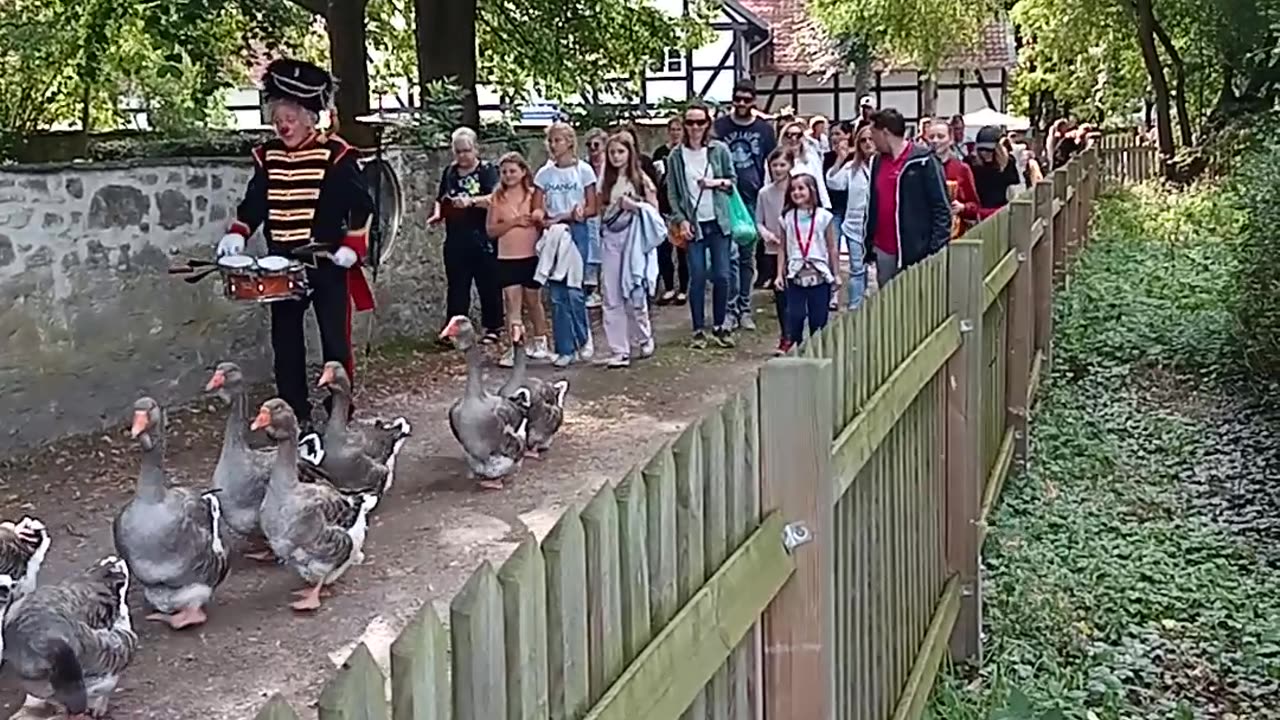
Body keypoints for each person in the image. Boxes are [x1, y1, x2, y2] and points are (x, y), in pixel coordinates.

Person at [217, 58, 374, 431]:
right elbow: (254, 202)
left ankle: (339, 407)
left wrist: (351, 245)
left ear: (309, 117)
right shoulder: (267, 155)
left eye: (290, 116)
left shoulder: (336, 154)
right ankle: (293, 409)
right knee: (285, 339)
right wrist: (238, 232)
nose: (282, 124)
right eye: (277, 117)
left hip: (325, 261)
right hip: (280, 261)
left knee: (334, 338)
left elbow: (362, 206)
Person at [665, 101, 738, 349]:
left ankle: (720, 325)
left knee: (722, 275)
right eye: (690, 122)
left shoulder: (719, 150)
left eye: (700, 122)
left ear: (708, 124)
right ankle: (698, 329)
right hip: (693, 223)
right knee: (697, 275)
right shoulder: (676, 155)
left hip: (718, 221)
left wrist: (714, 183)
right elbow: (673, 193)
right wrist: (681, 219)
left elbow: (732, 181)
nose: (695, 127)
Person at [428, 127, 503, 344]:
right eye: (458, 151)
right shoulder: (450, 172)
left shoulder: (487, 171)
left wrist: (471, 201)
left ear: (475, 149)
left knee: (488, 283)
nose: (462, 156)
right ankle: (455, 328)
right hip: (456, 236)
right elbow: (441, 197)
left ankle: (493, 326)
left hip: (482, 236)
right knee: (457, 286)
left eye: (466, 151)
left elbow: (495, 198)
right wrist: (438, 214)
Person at [713, 80, 776, 331]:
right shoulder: (720, 127)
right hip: (725, 198)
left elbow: (771, 163)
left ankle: (745, 308)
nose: (741, 103)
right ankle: (729, 310)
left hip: (752, 198)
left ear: (754, 101)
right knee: (729, 257)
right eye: (737, 98)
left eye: (746, 99)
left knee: (747, 258)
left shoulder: (764, 129)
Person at [863, 108, 950, 287]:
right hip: (884, 249)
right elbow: (873, 203)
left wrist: (933, 250)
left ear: (885, 133)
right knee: (888, 301)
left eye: (873, 134)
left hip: (916, 250)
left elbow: (941, 208)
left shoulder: (923, 161)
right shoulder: (877, 162)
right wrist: (869, 242)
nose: (872, 141)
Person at [534, 122, 597, 366]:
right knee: (557, 292)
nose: (553, 145)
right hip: (553, 233)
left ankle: (583, 337)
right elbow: (538, 206)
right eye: (550, 141)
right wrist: (540, 216)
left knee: (574, 289)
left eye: (558, 140)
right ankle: (564, 348)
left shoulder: (584, 171)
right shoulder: (544, 174)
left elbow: (592, 206)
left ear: (570, 142)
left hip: (575, 231)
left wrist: (581, 212)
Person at [596, 133, 659, 368]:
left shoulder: (640, 179)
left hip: (634, 239)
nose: (616, 157)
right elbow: (600, 209)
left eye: (620, 152)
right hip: (611, 238)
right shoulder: (605, 181)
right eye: (612, 152)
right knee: (611, 293)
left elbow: (654, 211)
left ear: (629, 153)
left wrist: (635, 206)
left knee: (635, 291)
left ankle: (643, 336)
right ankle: (619, 349)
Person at [487, 152, 551, 367]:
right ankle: (515, 347)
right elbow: (491, 230)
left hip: (531, 255)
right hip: (507, 257)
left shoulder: (534, 194)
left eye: (513, 171)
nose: (508, 175)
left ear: (523, 172)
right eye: (504, 172)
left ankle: (541, 340)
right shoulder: (497, 198)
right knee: (512, 305)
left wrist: (538, 219)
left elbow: (544, 219)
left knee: (533, 301)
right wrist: (513, 222)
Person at [774, 174, 840, 352]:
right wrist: (779, 274)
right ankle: (797, 345)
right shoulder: (787, 218)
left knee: (818, 319)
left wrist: (836, 274)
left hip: (819, 275)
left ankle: (817, 349)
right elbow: (782, 248)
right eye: (793, 189)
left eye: (801, 188)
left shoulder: (824, 217)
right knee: (795, 315)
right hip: (795, 274)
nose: (797, 192)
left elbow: (832, 247)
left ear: (812, 190)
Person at [755, 148, 794, 353]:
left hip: (797, 249)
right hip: (773, 249)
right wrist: (768, 235)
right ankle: (785, 335)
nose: (778, 169)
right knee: (781, 295)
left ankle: (795, 332)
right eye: (775, 165)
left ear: (790, 166)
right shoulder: (764, 193)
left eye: (782, 165)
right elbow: (758, 221)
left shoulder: (797, 189)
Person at [836, 123, 875, 310]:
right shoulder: (852, 167)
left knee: (875, 268)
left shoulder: (886, 165)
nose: (867, 143)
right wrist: (840, 160)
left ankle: (871, 300)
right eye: (862, 140)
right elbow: (834, 183)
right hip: (854, 225)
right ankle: (854, 308)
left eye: (870, 139)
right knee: (857, 268)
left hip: (878, 225)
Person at [652, 116, 689, 305]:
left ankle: (683, 289)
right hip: (663, 206)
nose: (675, 133)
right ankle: (668, 288)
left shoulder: (686, 152)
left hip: (681, 209)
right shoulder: (660, 152)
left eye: (678, 129)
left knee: (683, 252)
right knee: (664, 251)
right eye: (672, 129)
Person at [925, 119, 980, 238]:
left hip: (955, 234)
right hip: (927, 233)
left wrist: (963, 208)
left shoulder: (962, 169)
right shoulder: (921, 167)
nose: (935, 140)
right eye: (931, 136)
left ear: (950, 140)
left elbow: (975, 206)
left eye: (940, 136)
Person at [968, 125, 1022, 219]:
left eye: (989, 150)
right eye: (981, 149)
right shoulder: (971, 163)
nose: (985, 153)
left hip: (1002, 212)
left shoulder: (1008, 163)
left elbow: (1014, 187)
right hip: (979, 213)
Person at [582, 128, 609, 309]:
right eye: (589, 145)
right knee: (592, 252)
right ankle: (592, 290)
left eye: (596, 145)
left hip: (609, 214)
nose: (593, 149)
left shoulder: (610, 167)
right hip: (590, 214)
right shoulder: (584, 167)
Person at [779, 120, 831, 208]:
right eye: (789, 135)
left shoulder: (811, 158)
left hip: (810, 207)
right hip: (783, 207)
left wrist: (826, 206)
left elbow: (820, 183)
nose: (793, 139)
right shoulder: (776, 160)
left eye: (798, 135)